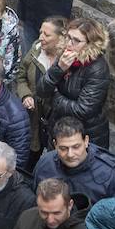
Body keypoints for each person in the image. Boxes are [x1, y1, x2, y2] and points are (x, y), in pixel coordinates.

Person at [36, 17, 111, 151]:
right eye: (68, 37)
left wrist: (54, 96)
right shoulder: (65, 55)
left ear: (90, 44)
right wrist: (59, 69)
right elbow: (41, 90)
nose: (69, 44)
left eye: (76, 40)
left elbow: (83, 110)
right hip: (58, 127)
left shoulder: (97, 69)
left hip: (86, 134)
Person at [32, 117, 115, 207]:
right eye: (63, 148)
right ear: (55, 145)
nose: (70, 154)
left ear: (86, 141)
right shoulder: (45, 164)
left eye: (76, 147)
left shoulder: (111, 175)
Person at [17, 17, 67, 164]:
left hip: (56, 122)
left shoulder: (68, 61)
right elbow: (21, 76)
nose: (41, 38)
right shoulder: (36, 50)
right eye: (40, 33)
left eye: (47, 35)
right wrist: (25, 95)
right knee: (29, 160)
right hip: (34, 119)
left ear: (61, 38)